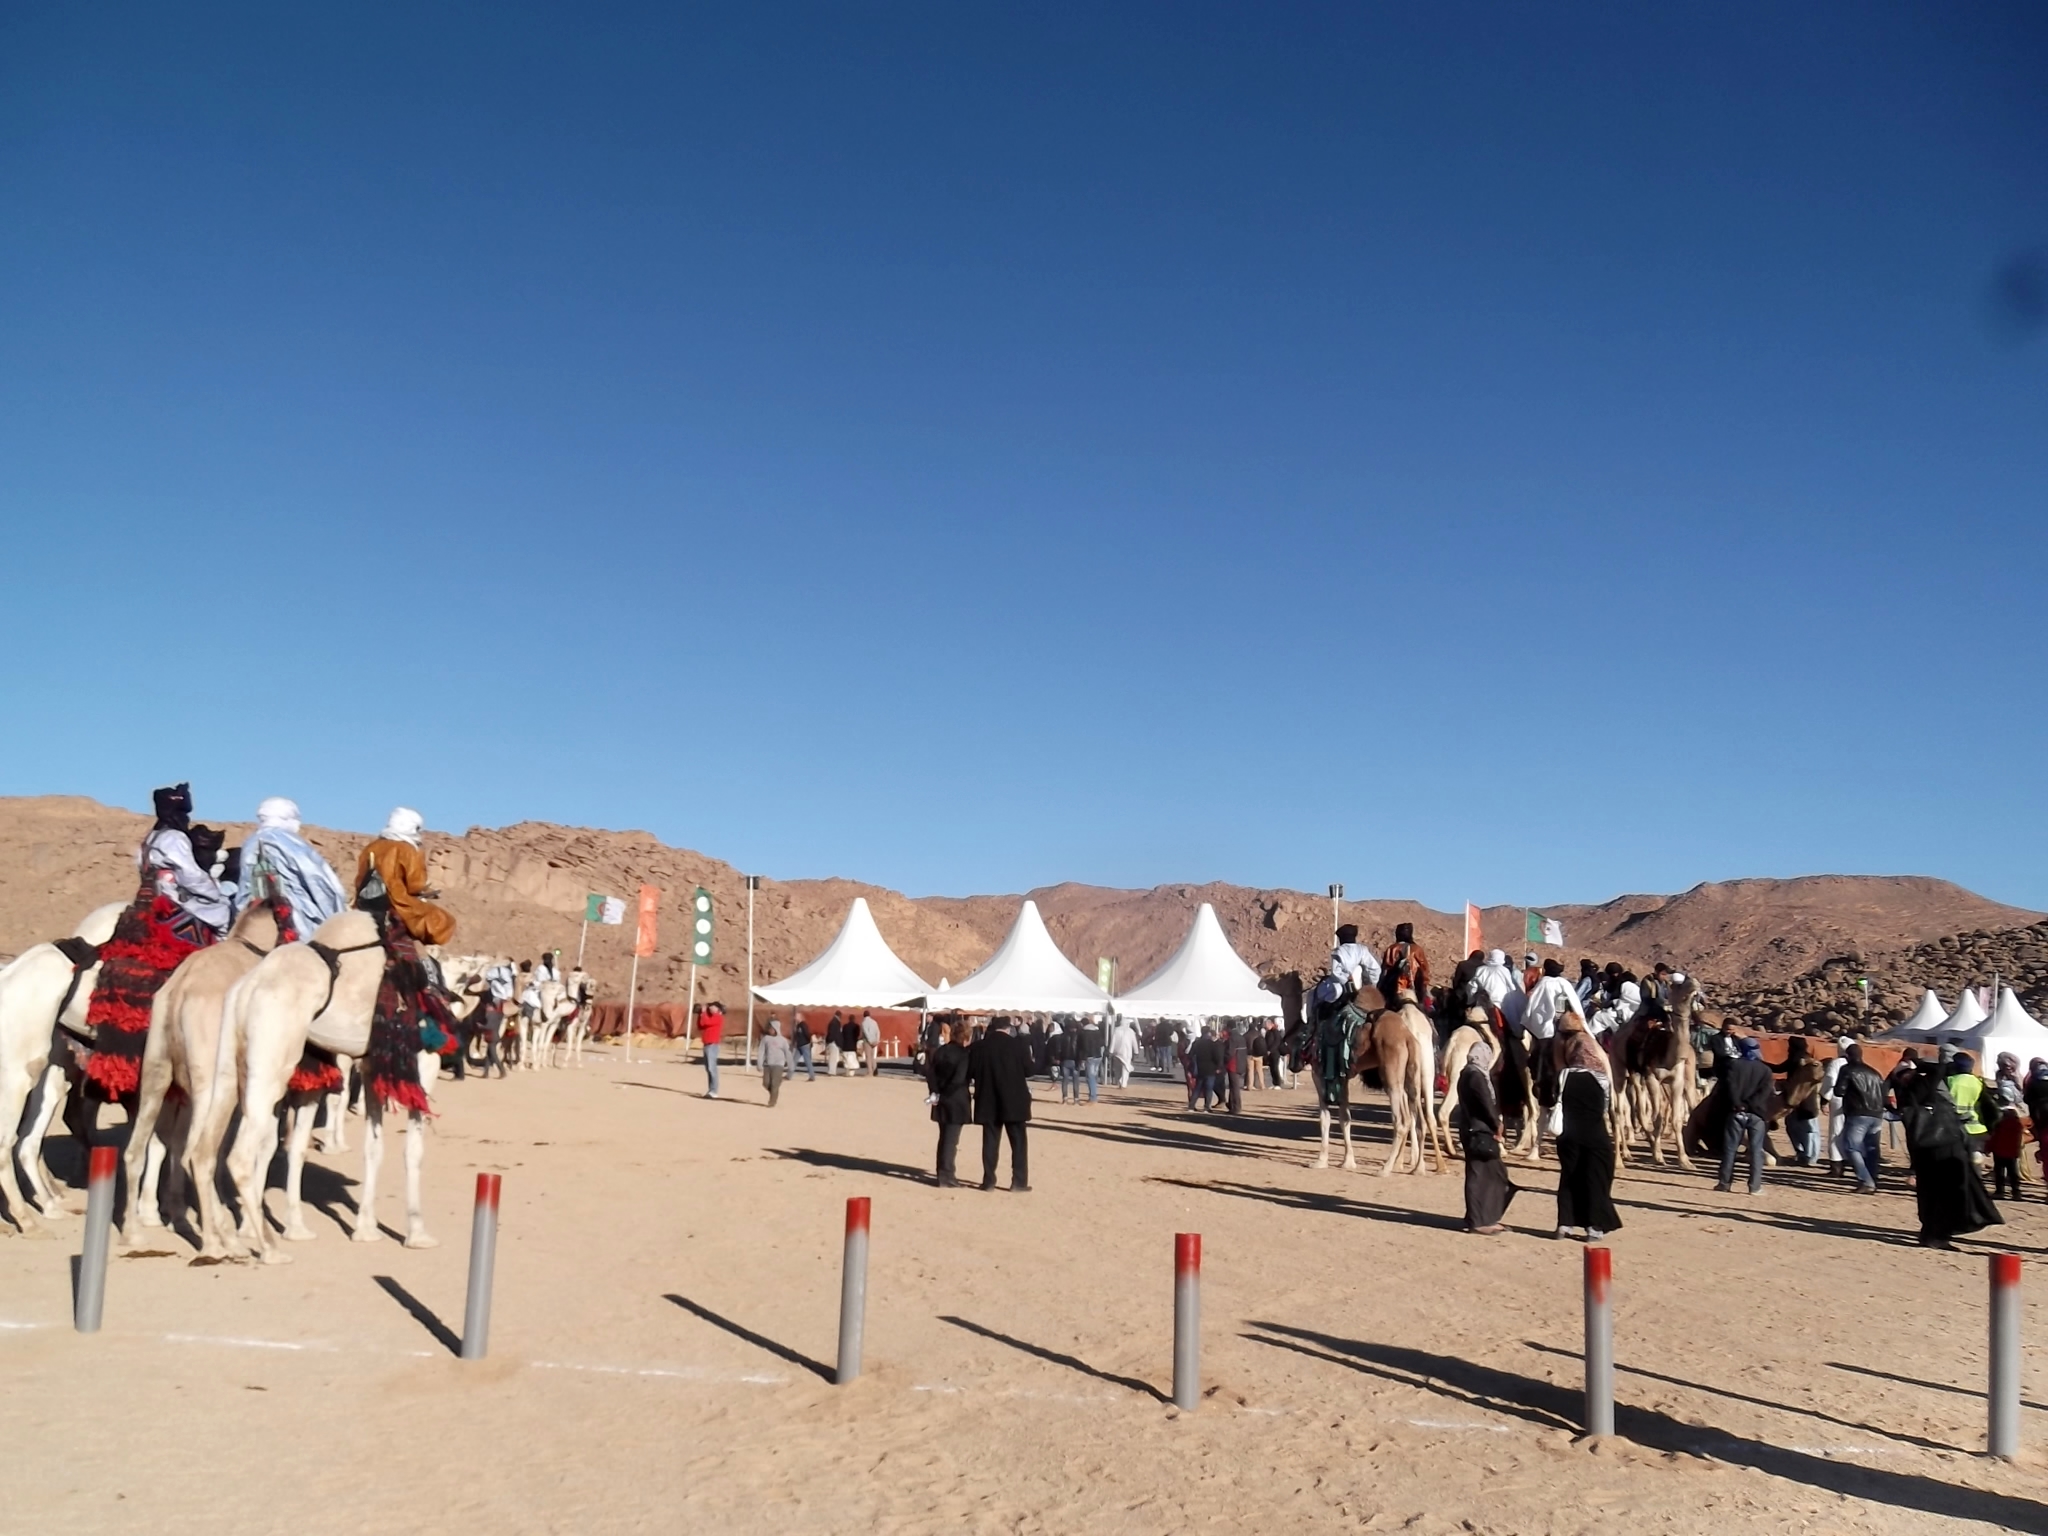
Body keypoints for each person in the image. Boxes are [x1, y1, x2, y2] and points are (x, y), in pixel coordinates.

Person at [81, 783, 228, 1101]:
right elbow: (190, 876)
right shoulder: (174, 839)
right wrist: (215, 892)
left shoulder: (150, 838)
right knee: (222, 918)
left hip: (144, 902)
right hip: (169, 906)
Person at [351, 807, 457, 1113]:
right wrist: (424, 892)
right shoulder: (406, 849)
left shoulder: (371, 847)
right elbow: (412, 885)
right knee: (441, 926)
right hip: (395, 913)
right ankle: (424, 1012)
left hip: (363, 910)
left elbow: (360, 881)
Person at [1897, 1058, 2002, 1248]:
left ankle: (1931, 1233)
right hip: (1942, 1146)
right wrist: (1920, 1063)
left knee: (1929, 1193)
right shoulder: (1922, 1086)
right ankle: (1937, 1235)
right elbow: (1939, 1068)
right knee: (1945, 1192)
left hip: (1923, 1150)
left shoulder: (1907, 1094)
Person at [234, 796, 347, 939]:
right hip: (295, 916)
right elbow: (315, 876)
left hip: (254, 913)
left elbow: (245, 885)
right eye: (295, 817)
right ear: (285, 816)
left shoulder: (250, 842)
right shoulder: (286, 841)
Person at [1555, 1070, 1621, 1241]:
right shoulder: (1601, 1078)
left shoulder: (1563, 1075)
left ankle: (1564, 1224)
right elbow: (1605, 1107)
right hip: (1594, 1133)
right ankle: (1594, 1226)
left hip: (1568, 1133)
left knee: (1569, 1176)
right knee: (1596, 1179)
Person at [968, 1016, 1032, 1192]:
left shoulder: (979, 1047)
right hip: (1015, 1099)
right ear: (1008, 1028)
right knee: (1018, 1142)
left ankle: (989, 1181)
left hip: (988, 1098)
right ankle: (1018, 1181)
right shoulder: (1018, 1045)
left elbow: (971, 1071)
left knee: (990, 1141)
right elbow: (1029, 1070)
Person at [1456, 1041, 1514, 1234]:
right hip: (1480, 1131)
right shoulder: (1476, 1076)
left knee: (1486, 1174)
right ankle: (1480, 1221)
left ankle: (1481, 1217)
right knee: (1484, 1175)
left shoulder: (1466, 1073)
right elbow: (1485, 1104)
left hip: (1471, 1129)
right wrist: (1497, 1125)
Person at [1716, 1037, 1773, 1195]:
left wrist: (1738, 1104)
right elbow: (1764, 1092)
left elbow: (1729, 1086)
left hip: (1735, 1112)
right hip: (1756, 1114)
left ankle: (1724, 1182)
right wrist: (1749, 1105)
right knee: (1756, 1150)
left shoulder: (1733, 1066)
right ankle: (1754, 1186)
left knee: (1730, 1149)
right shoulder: (1765, 1070)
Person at [1835, 1042, 1888, 1193]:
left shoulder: (1847, 1069)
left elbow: (1839, 1091)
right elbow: (1882, 1093)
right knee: (1871, 1149)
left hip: (1858, 1112)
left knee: (1851, 1147)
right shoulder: (1874, 1072)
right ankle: (1872, 1178)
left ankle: (1866, 1181)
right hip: (1877, 1114)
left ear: (1847, 1055)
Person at [925, 1020, 973, 1186]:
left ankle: (942, 1172)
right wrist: (945, 1094)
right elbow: (959, 1079)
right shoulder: (964, 1055)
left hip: (940, 1097)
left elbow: (930, 1074)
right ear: (966, 1037)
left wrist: (935, 1092)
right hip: (956, 1099)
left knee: (944, 1137)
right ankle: (946, 1175)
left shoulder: (940, 1051)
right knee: (951, 1140)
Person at [1988, 1053, 2026, 1200]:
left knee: (2006, 1166)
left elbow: (2020, 1095)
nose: (2007, 1068)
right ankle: (2010, 1191)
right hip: (2006, 1113)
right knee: (2007, 1165)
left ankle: (2007, 1190)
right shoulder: (1999, 1075)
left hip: (2013, 1111)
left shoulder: (2017, 1077)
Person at [1522, 959, 1586, 1043]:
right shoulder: (1564, 983)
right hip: (1562, 1023)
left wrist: (1526, 1017)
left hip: (1544, 1024)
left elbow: (1533, 1001)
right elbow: (1575, 1003)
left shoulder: (1543, 982)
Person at [1948, 1053, 1989, 1162]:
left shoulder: (1951, 1080)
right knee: (1974, 1162)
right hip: (1977, 1127)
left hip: (1956, 1127)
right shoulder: (1978, 1082)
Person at [1379, 923, 1431, 1004]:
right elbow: (1424, 971)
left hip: (1392, 991)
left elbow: (1384, 971)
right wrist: (1423, 988)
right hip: (1413, 990)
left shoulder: (1391, 949)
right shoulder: (1417, 949)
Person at [1329, 924, 1382, 997]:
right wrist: (1371, 985)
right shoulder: (1362, 950)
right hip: (1362, 989)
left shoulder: (1338, 952)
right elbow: (1375, 969)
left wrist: (1346, 980)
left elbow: (1335, 972)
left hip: (1344, 991)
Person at [758, 1019, 791, 1107]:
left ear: (776, 1029)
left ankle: (772, 1101)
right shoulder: (765, 1039)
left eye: (772, 1029)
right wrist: (759, 1063)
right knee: (766, 1083)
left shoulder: (783, 1041)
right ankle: (773, 1092)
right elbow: (761, 1051)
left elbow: (787, 1053)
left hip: (778, 1064)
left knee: (774, 1084)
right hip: (768, 1064)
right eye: (770, 1029)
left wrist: (790, 1065)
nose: (770, 1030)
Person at [697, 999, 725, 1098]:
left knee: (712, 1068)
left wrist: (704, 1013)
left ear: (718, 1009)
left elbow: (706, 1023)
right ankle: (711, 1090)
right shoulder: (710, 1017)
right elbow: (701, 1025)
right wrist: (700, 1014)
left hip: (713, 1045)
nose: (710, 1008)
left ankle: (714, 1091)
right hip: (706, 1044)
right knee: (708, 1068)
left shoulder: (718, 1017)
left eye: (713, 1007)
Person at [1077, 1014, 1106, 1103]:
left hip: (1089, 1056)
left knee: (1090, 1077)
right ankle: (1094, 1094)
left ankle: (1093, 1097)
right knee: (1094, 1076)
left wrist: (1082, 1058)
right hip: (1098, 1055)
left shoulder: (1083, 1033)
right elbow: (1102, 1043)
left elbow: (1083, 1046)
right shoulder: (1097, 1031)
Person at [1108, 1015, 1137, 1089]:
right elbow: (1134, 1042)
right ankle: (1123, 1082)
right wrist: (1136, 1051)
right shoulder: (1131, 1031)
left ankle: (1119, 1080)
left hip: (1117, 1051)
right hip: (1127, 1052)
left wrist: (1111, 1051)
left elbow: (1113, 1041)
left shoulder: (1116, 1030)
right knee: (1125, 1068)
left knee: (1117, 1067)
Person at [792, 1013, 816, 1081]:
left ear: (800, 1017)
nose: (795, 1018)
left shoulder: (803, 1025)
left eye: (796, 1016)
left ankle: (812, 1076)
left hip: (804, 1045)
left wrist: (808, 1042)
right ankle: (789, 1075)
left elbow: (807, 1034)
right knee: (794, 1060)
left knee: (807, 1061)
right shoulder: (798, 1025)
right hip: (799, 1045)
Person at [859, 1011, 881, 1076]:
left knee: (868, 1057)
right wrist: (877, 1040)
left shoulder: (864, 1023)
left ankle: (870, 1071)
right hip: (874, 1041)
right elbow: (878, 1031)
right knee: (872, 1056)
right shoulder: (874, 1022)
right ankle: (875, 1069)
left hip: (867, 1041)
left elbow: (866, 1033)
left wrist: (870, 1041)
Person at [824, 1012, 846, 1076]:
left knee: (833, 1057)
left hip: (832, 1041)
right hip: (834, 1042)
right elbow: (836, 1034)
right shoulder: (836, 1023)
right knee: (833, 1058)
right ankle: (831, 1071)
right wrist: (839, 1043)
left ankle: (832, 1070)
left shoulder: (833, 1022)